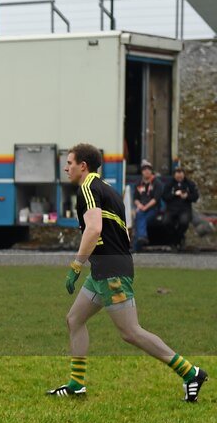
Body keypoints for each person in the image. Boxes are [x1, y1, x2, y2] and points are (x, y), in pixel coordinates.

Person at [48, 143, 207, 402]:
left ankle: (191, 373)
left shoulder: (88, 187)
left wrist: (76, 265)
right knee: (74, 319)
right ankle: (76, 384)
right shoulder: (108, 189)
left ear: (83, 166)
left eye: (69, 163)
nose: (66, 168)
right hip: (104, 269)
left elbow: (94, 229)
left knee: (131, 332)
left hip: (112, 272)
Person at [162, 166, 199, 247]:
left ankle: (177, 239)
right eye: (177, 174)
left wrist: (187, 196)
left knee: (184, 222)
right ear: (174, 175)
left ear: (184, 174)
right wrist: (174, 194)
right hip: (171, 209)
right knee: (166, 222)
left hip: (184, 209)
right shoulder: (169, 184)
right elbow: (164, 197)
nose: (179, 176)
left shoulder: (190, 184)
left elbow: (195, 196)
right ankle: (176, 238)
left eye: (181, 174)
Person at [132, 161, 162, 252]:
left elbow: (156, 199)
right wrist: (139, 205)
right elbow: (135, 198)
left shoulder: (157, 183)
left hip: (153, 209)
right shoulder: (138, 183)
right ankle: (141, 239)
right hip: (142, 208)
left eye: (149, 169)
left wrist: (145, 207)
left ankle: (137, 245)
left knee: (140, 217)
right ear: (142, 171)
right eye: (144, 169)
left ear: (151, 171)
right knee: (139, 215)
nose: (147, 171)